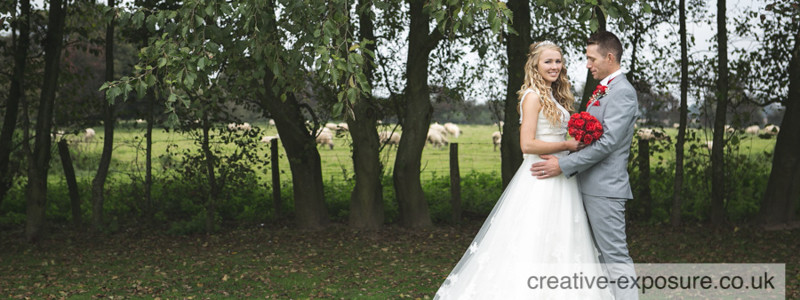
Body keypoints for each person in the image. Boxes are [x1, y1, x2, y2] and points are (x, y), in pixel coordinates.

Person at [433, 41, 613, 299]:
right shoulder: (532, 96)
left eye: (558, 61)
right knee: (533, 240)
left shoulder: (555, 95)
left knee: (562, 239)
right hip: (540, 177)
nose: (554, 66)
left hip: (561, 176)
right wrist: (567, 145)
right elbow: (527, 144)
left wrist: (576, 145)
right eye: (548, 62)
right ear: (535, 65)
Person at [530, 31, 639, 300]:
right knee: (593, 258)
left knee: (614, 258)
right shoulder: (604, 89)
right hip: (586, 185)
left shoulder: (622, 93)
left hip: (604, 189)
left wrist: (564, 165)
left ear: (610, 57)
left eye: (592, 59)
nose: (587, 64)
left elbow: (607, 143)